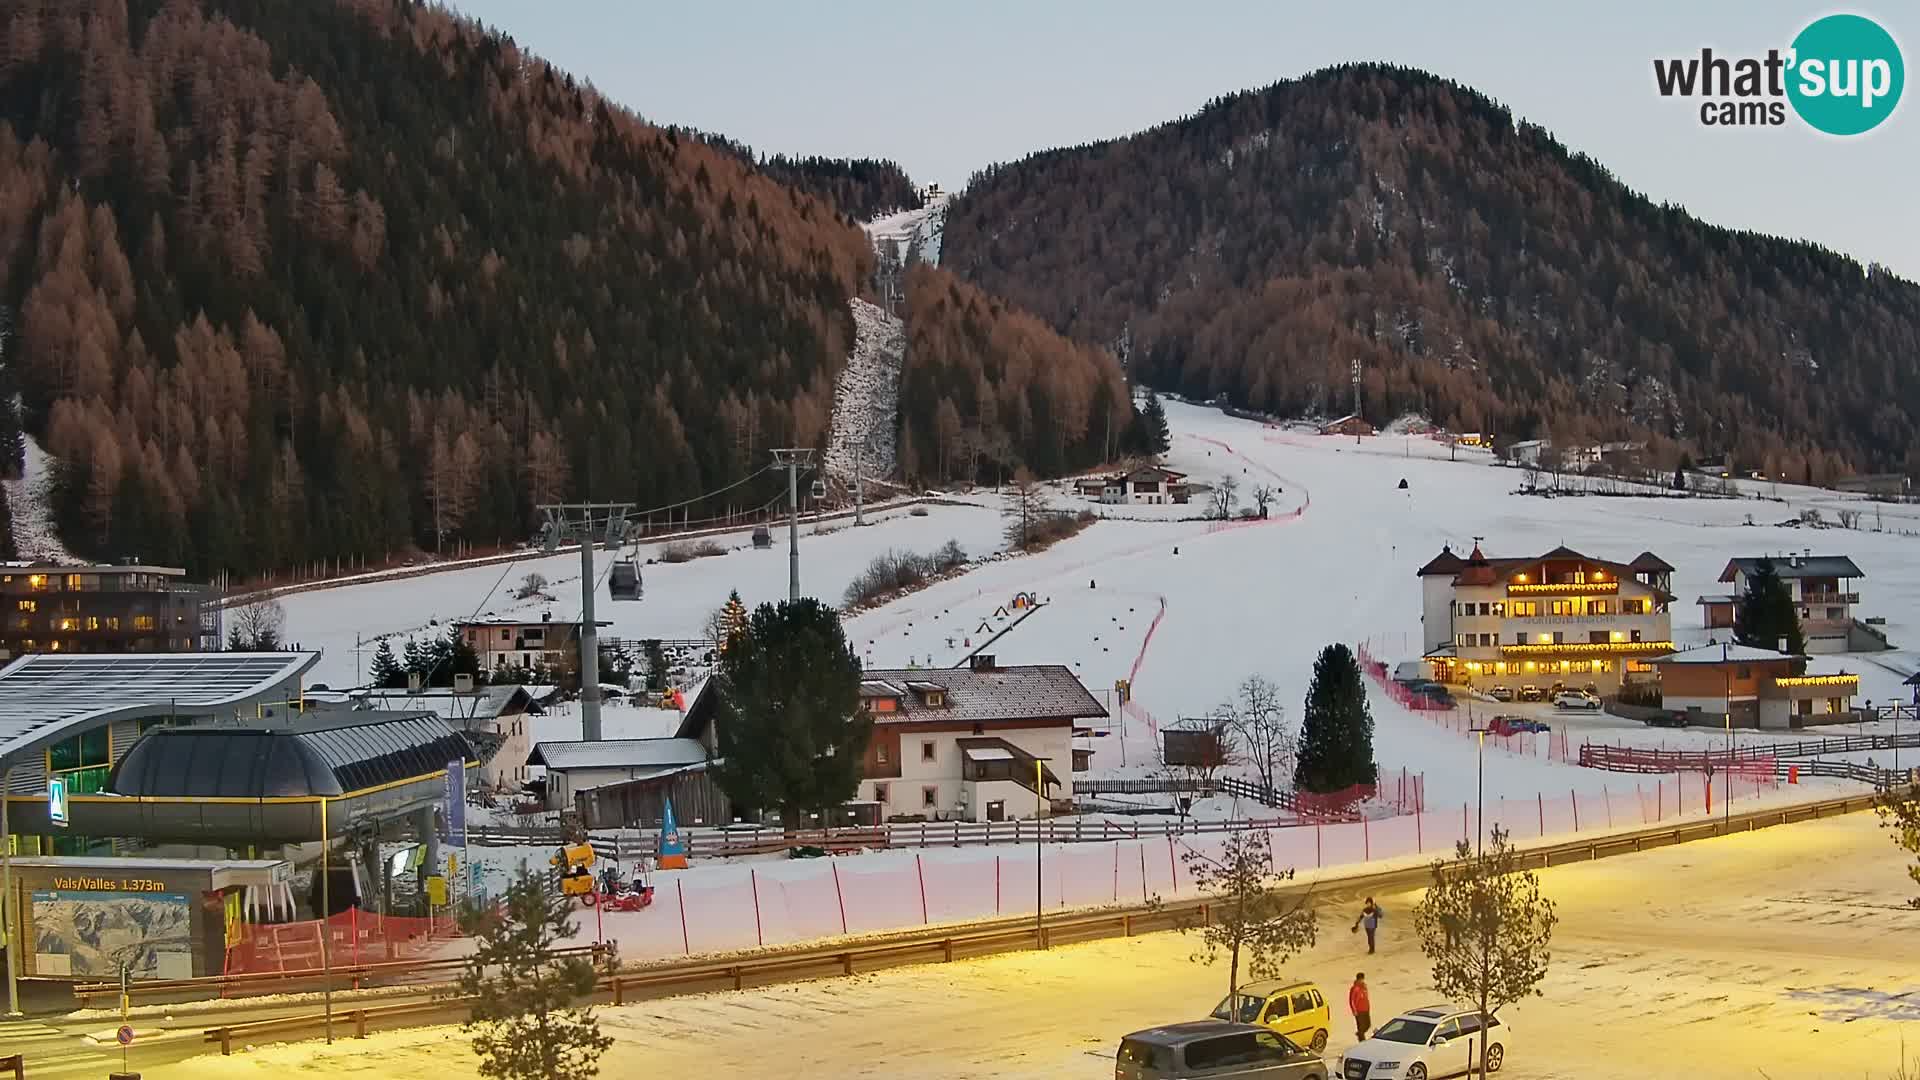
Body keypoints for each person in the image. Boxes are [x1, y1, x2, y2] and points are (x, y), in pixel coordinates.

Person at [1349, 972, 1371, 1041]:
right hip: (1359, 1011)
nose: (1362, 981)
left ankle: (1359, 1034)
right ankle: (1362, 1041)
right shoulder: (1355, 988)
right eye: (1361, 979)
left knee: (1368, 1025)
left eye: (1363, 979)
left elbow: (1366, 997)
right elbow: (1351, 1000)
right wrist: (1354, 1010)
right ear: (1358, 979)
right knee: (1361, 1028)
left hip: (1366, 1009)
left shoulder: (1364, 987)